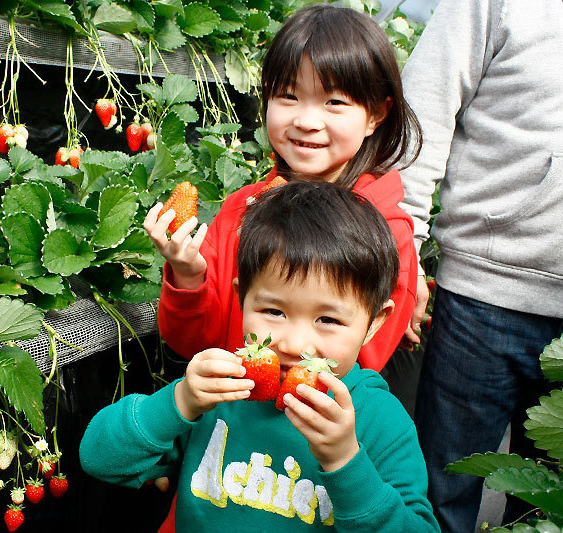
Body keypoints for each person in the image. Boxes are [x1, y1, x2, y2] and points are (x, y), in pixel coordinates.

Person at [82, 181, 440, 531]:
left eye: (327, 319)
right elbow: (100, 459)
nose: (294, 343)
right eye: (273, 311)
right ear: (242, 300)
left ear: (374, 323)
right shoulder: (220, 391)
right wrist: (180, 401)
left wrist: (345, 461)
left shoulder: (376, 419)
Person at [145, 4, 423, 373]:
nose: (306, 121)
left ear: (376, 114)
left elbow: (364, 365)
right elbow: (193, 344)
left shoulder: (387, 230)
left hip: (317, 424)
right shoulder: (241, 209)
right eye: (289, 96)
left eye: (334, 102)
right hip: (231, 416)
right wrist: (188, 274)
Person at [398, 0, 563, 531]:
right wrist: (403, 260)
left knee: (550, 507)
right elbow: (421, 113)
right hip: (484, 295)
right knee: (440, 490)